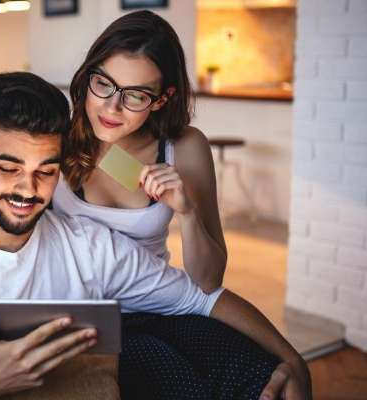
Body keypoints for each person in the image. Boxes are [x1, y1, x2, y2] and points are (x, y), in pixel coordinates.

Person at [0, 72, 310, 400]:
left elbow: (203, 299)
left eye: (45, 171)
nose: (28, 190)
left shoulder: (88, 246)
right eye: (8, 168)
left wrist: (294, 360)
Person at [52, 11, 253, 399]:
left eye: (136, 95)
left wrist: (188, 213)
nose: (112, 108)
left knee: (254, 371)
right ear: (87, 76)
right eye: (104, 84)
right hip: (84, 319)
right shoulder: (57, 137)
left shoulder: (185, 147)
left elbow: (208, 282)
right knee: (184, 387)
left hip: (161, 304)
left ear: (162, 99)